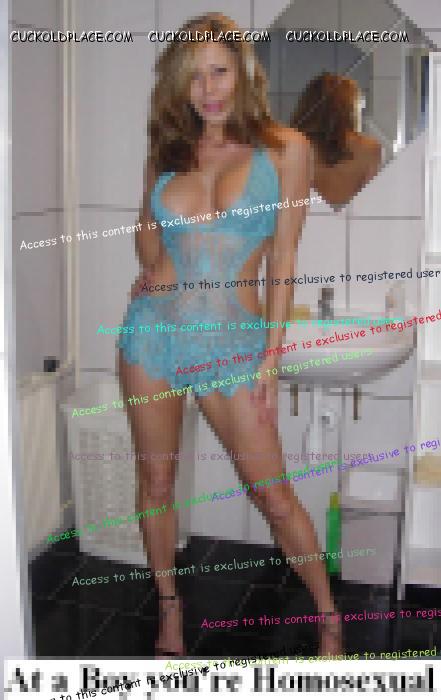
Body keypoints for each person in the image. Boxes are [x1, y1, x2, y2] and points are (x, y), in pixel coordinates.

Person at [118, 12, 342, 658]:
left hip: (233, 347)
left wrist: (270, 358)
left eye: (219, 71)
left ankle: (328, 617)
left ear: (243, 72)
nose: (208, 90)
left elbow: (284, 258)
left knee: (273, 496)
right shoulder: (167, 150)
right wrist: (149, 263)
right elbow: (147, 237)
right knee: (157, 485)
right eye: (193, 78)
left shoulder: (285, 150)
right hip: (154, 336)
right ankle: (169, 611)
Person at [290, 73, 382, 209]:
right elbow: (369, 205)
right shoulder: (370, 149)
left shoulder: (290, 145)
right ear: (351, 108)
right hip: (347, 221)